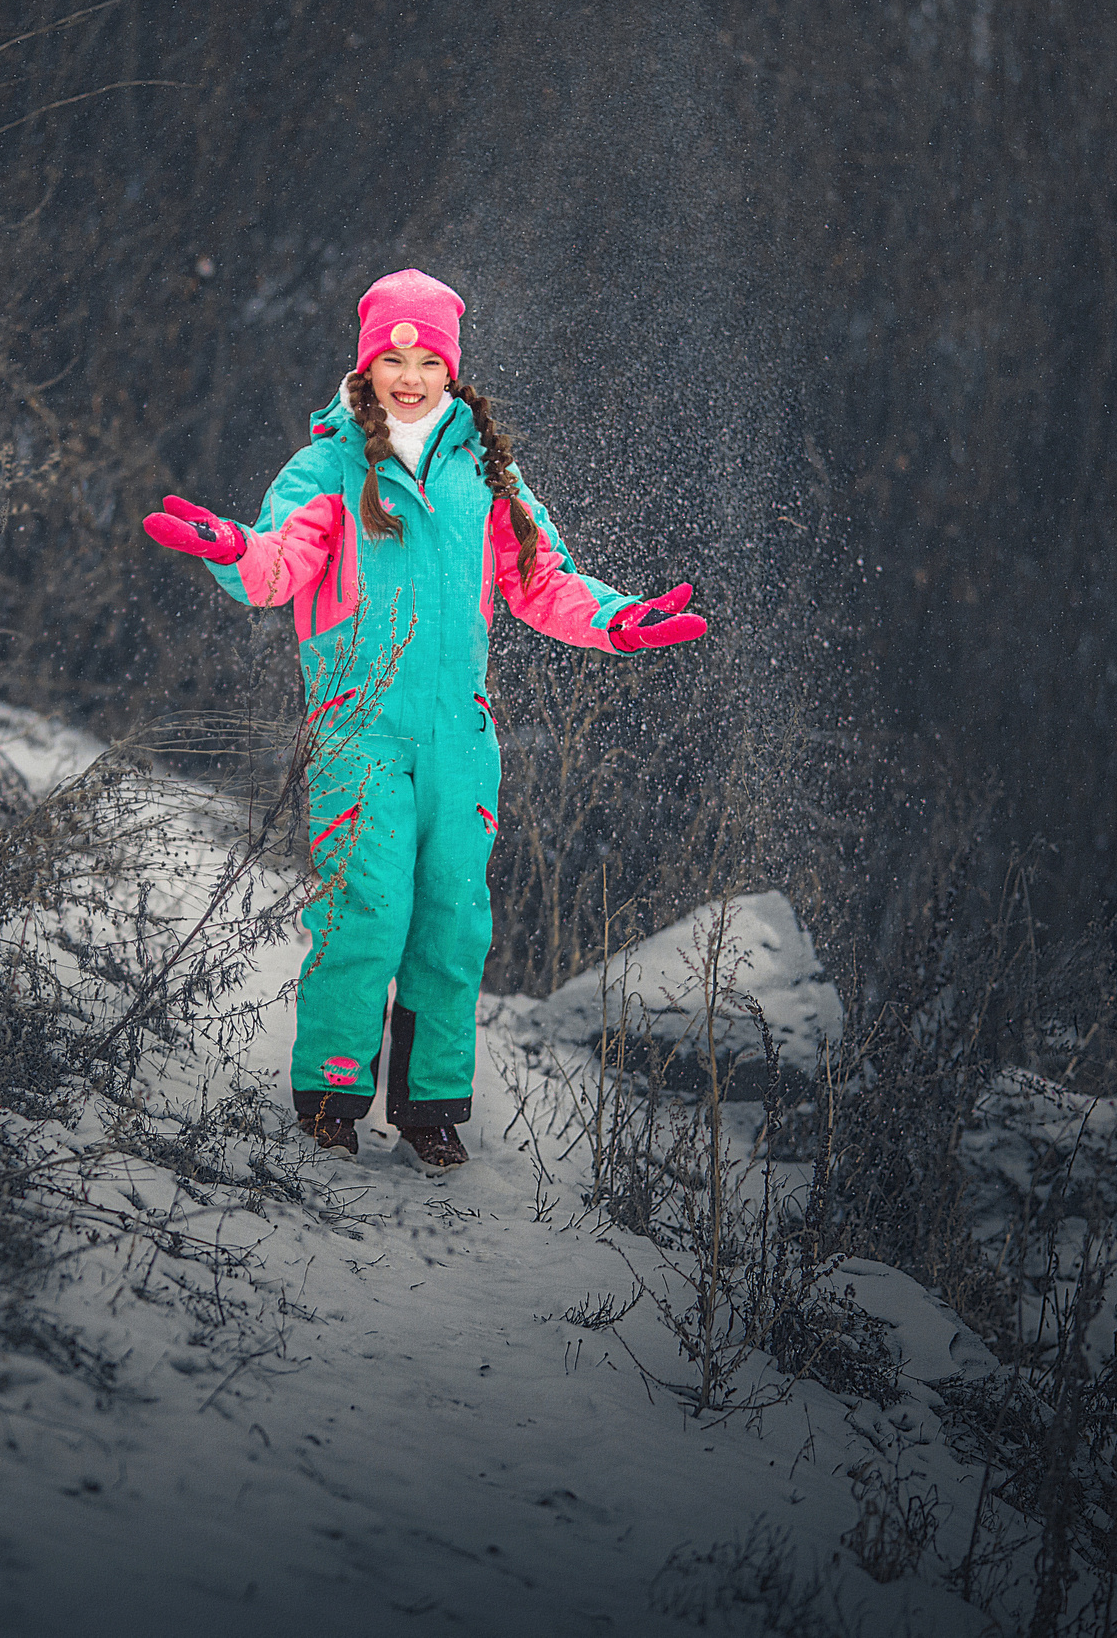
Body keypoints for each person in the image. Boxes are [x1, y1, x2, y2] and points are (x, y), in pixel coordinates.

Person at [142, 269, 705, 1175]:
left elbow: (543, 580)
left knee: (452, 922)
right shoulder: (328, 465)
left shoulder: (487, 472)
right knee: (365, 910)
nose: (409, 374)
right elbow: (280, 563)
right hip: (358, 732)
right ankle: (330, 1094)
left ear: (451, 367)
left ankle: (431, 1107)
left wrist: (616, 618)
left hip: (459, 738)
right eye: (392, 358)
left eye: (427, 358)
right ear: (366, 367)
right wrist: (230, 550)